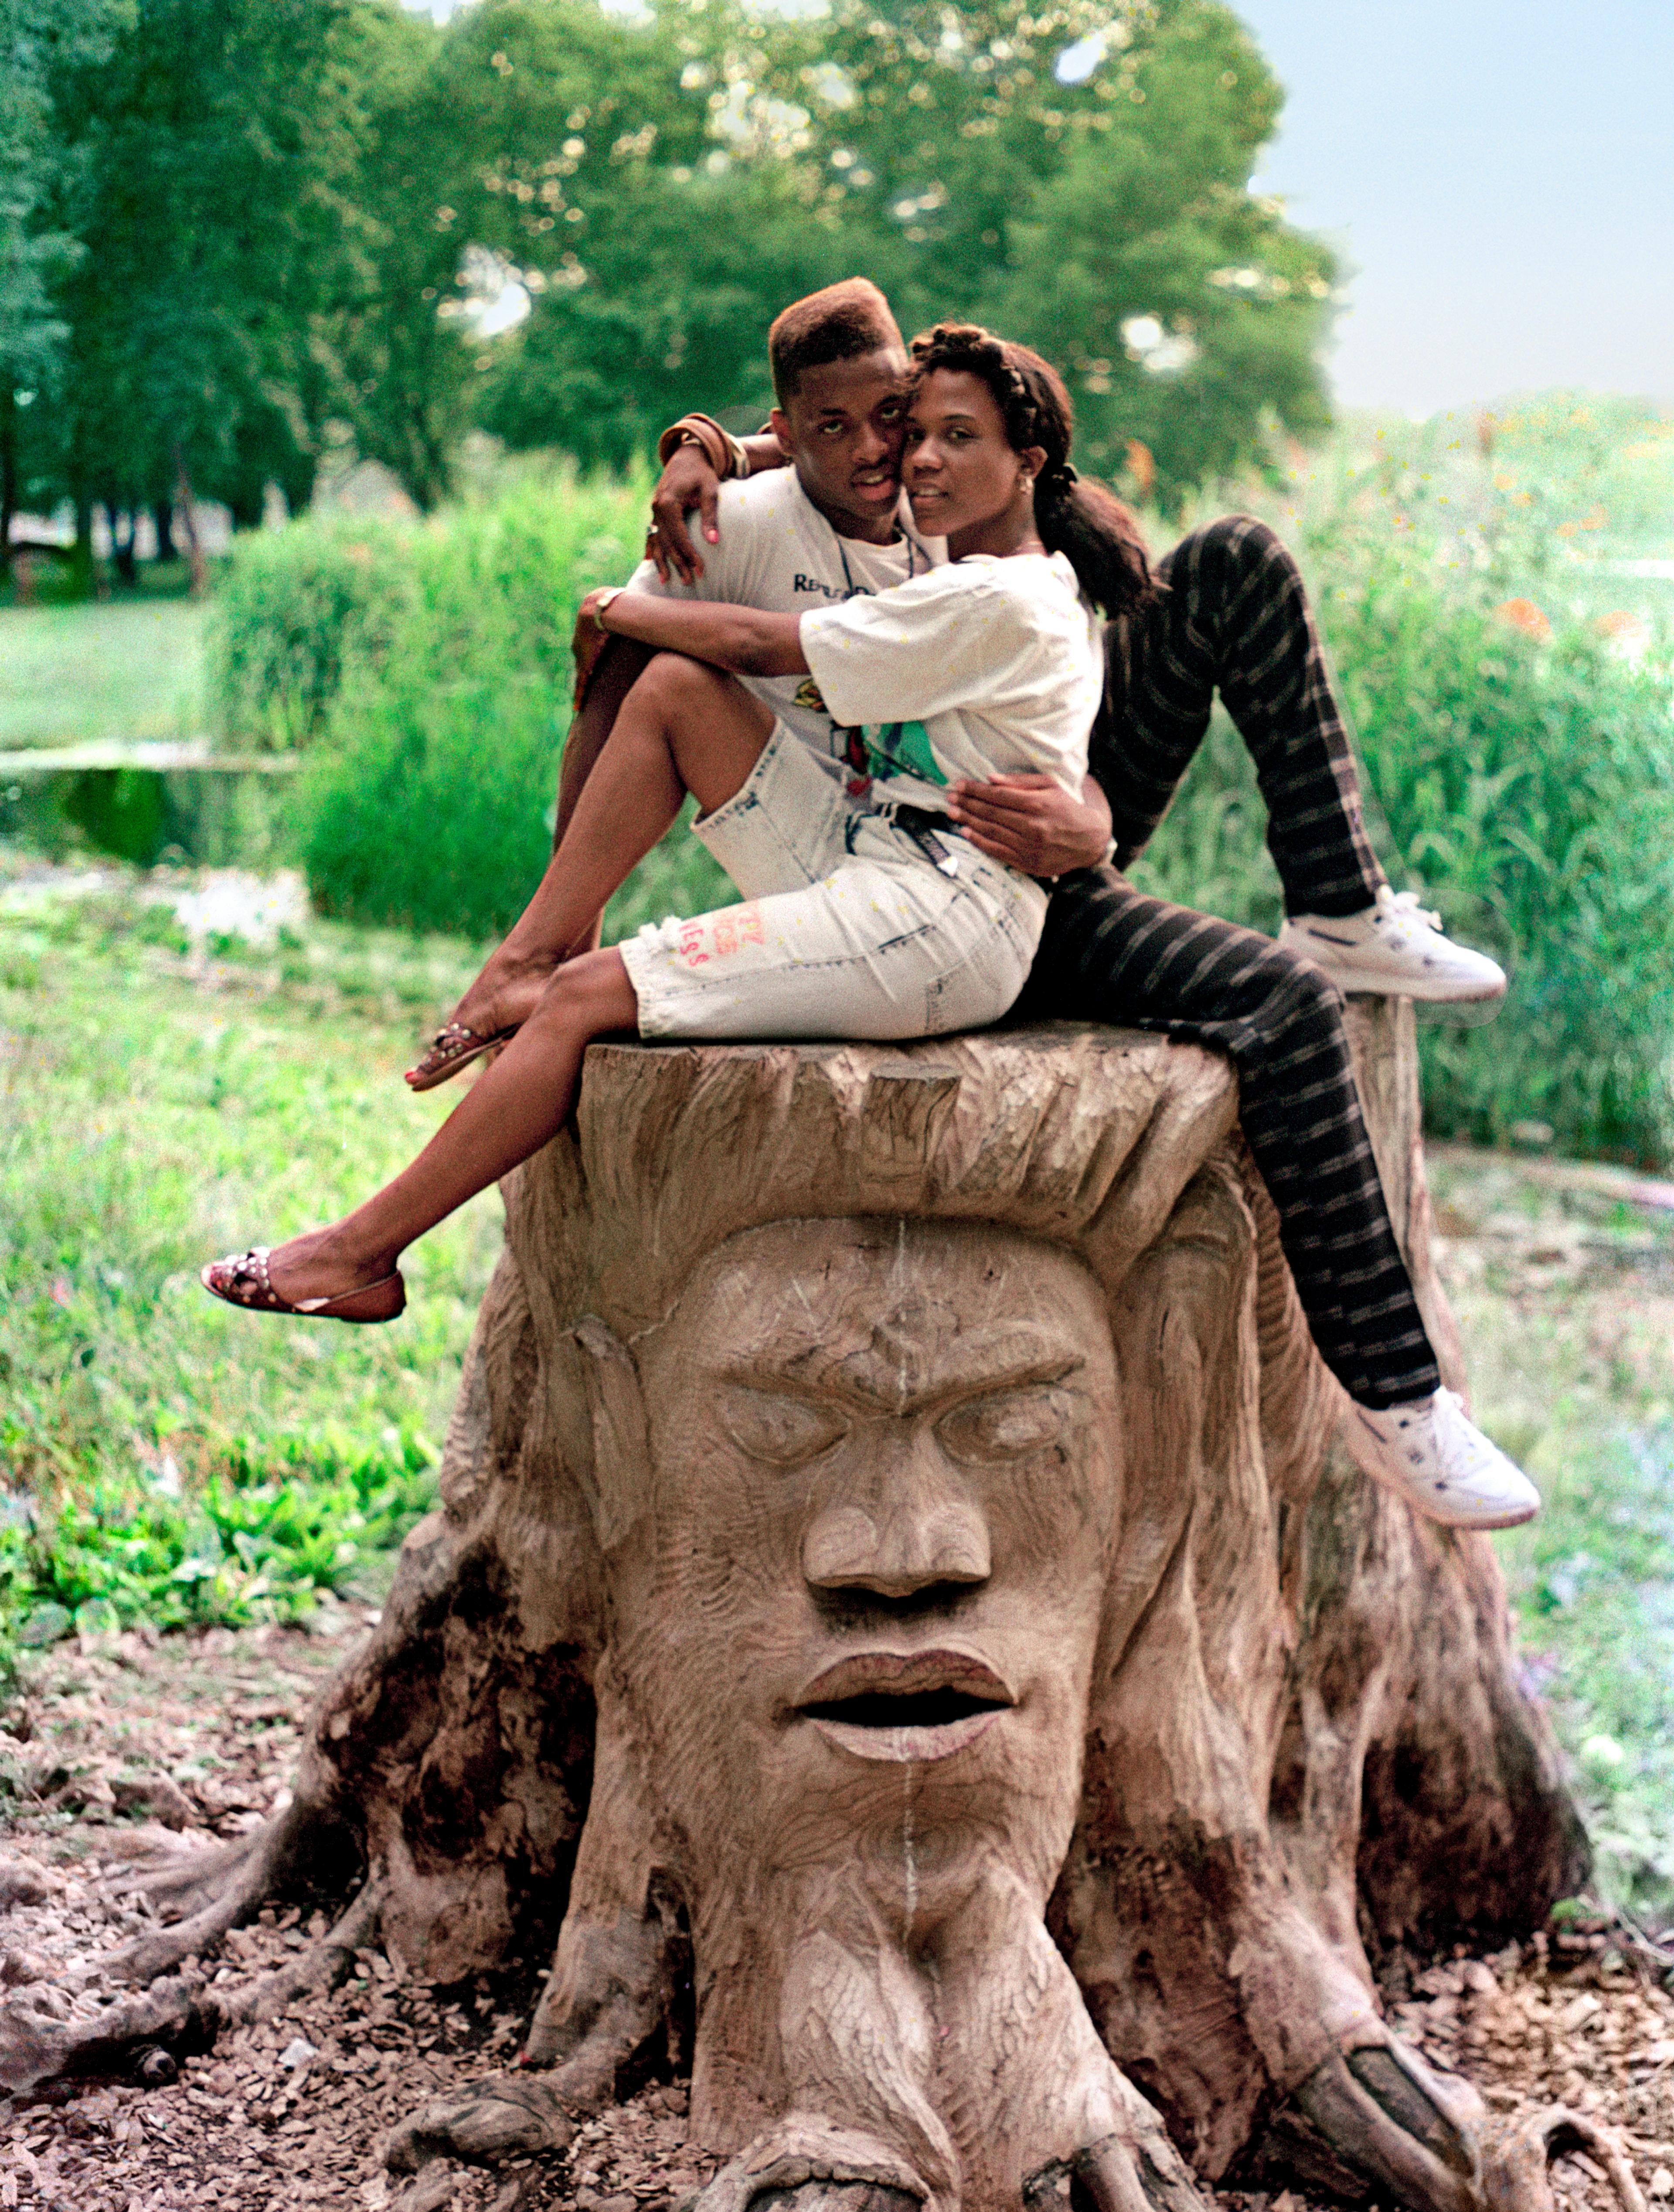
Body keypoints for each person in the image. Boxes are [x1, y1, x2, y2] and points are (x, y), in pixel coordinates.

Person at [431, 279, 1535, 1534]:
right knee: (1279, 1007)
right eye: (872, 433)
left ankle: (1343, 903)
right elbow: (675, 633)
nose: (897, 455)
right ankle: (1401, 1398)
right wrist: (705, 452)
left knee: (1234, 559)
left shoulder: (961, 506)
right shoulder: (809, 510)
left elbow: (880, 445)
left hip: (1039, 805)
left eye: (914, 424)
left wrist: (1099, 821)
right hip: (951, 873)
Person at [200, 327, 1126, 1359]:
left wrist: (614, 609)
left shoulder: (998, 596)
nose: (919, 460)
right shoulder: (964, 547)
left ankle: (359, 1253)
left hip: (943, 915)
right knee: (679, 694)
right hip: (874, 851)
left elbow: (754, 643)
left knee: (593, 994)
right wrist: (707, 446)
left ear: (1029, 463)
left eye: (960, 439)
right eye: (922, 435)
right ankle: (531, 952)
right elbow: (807, 452)